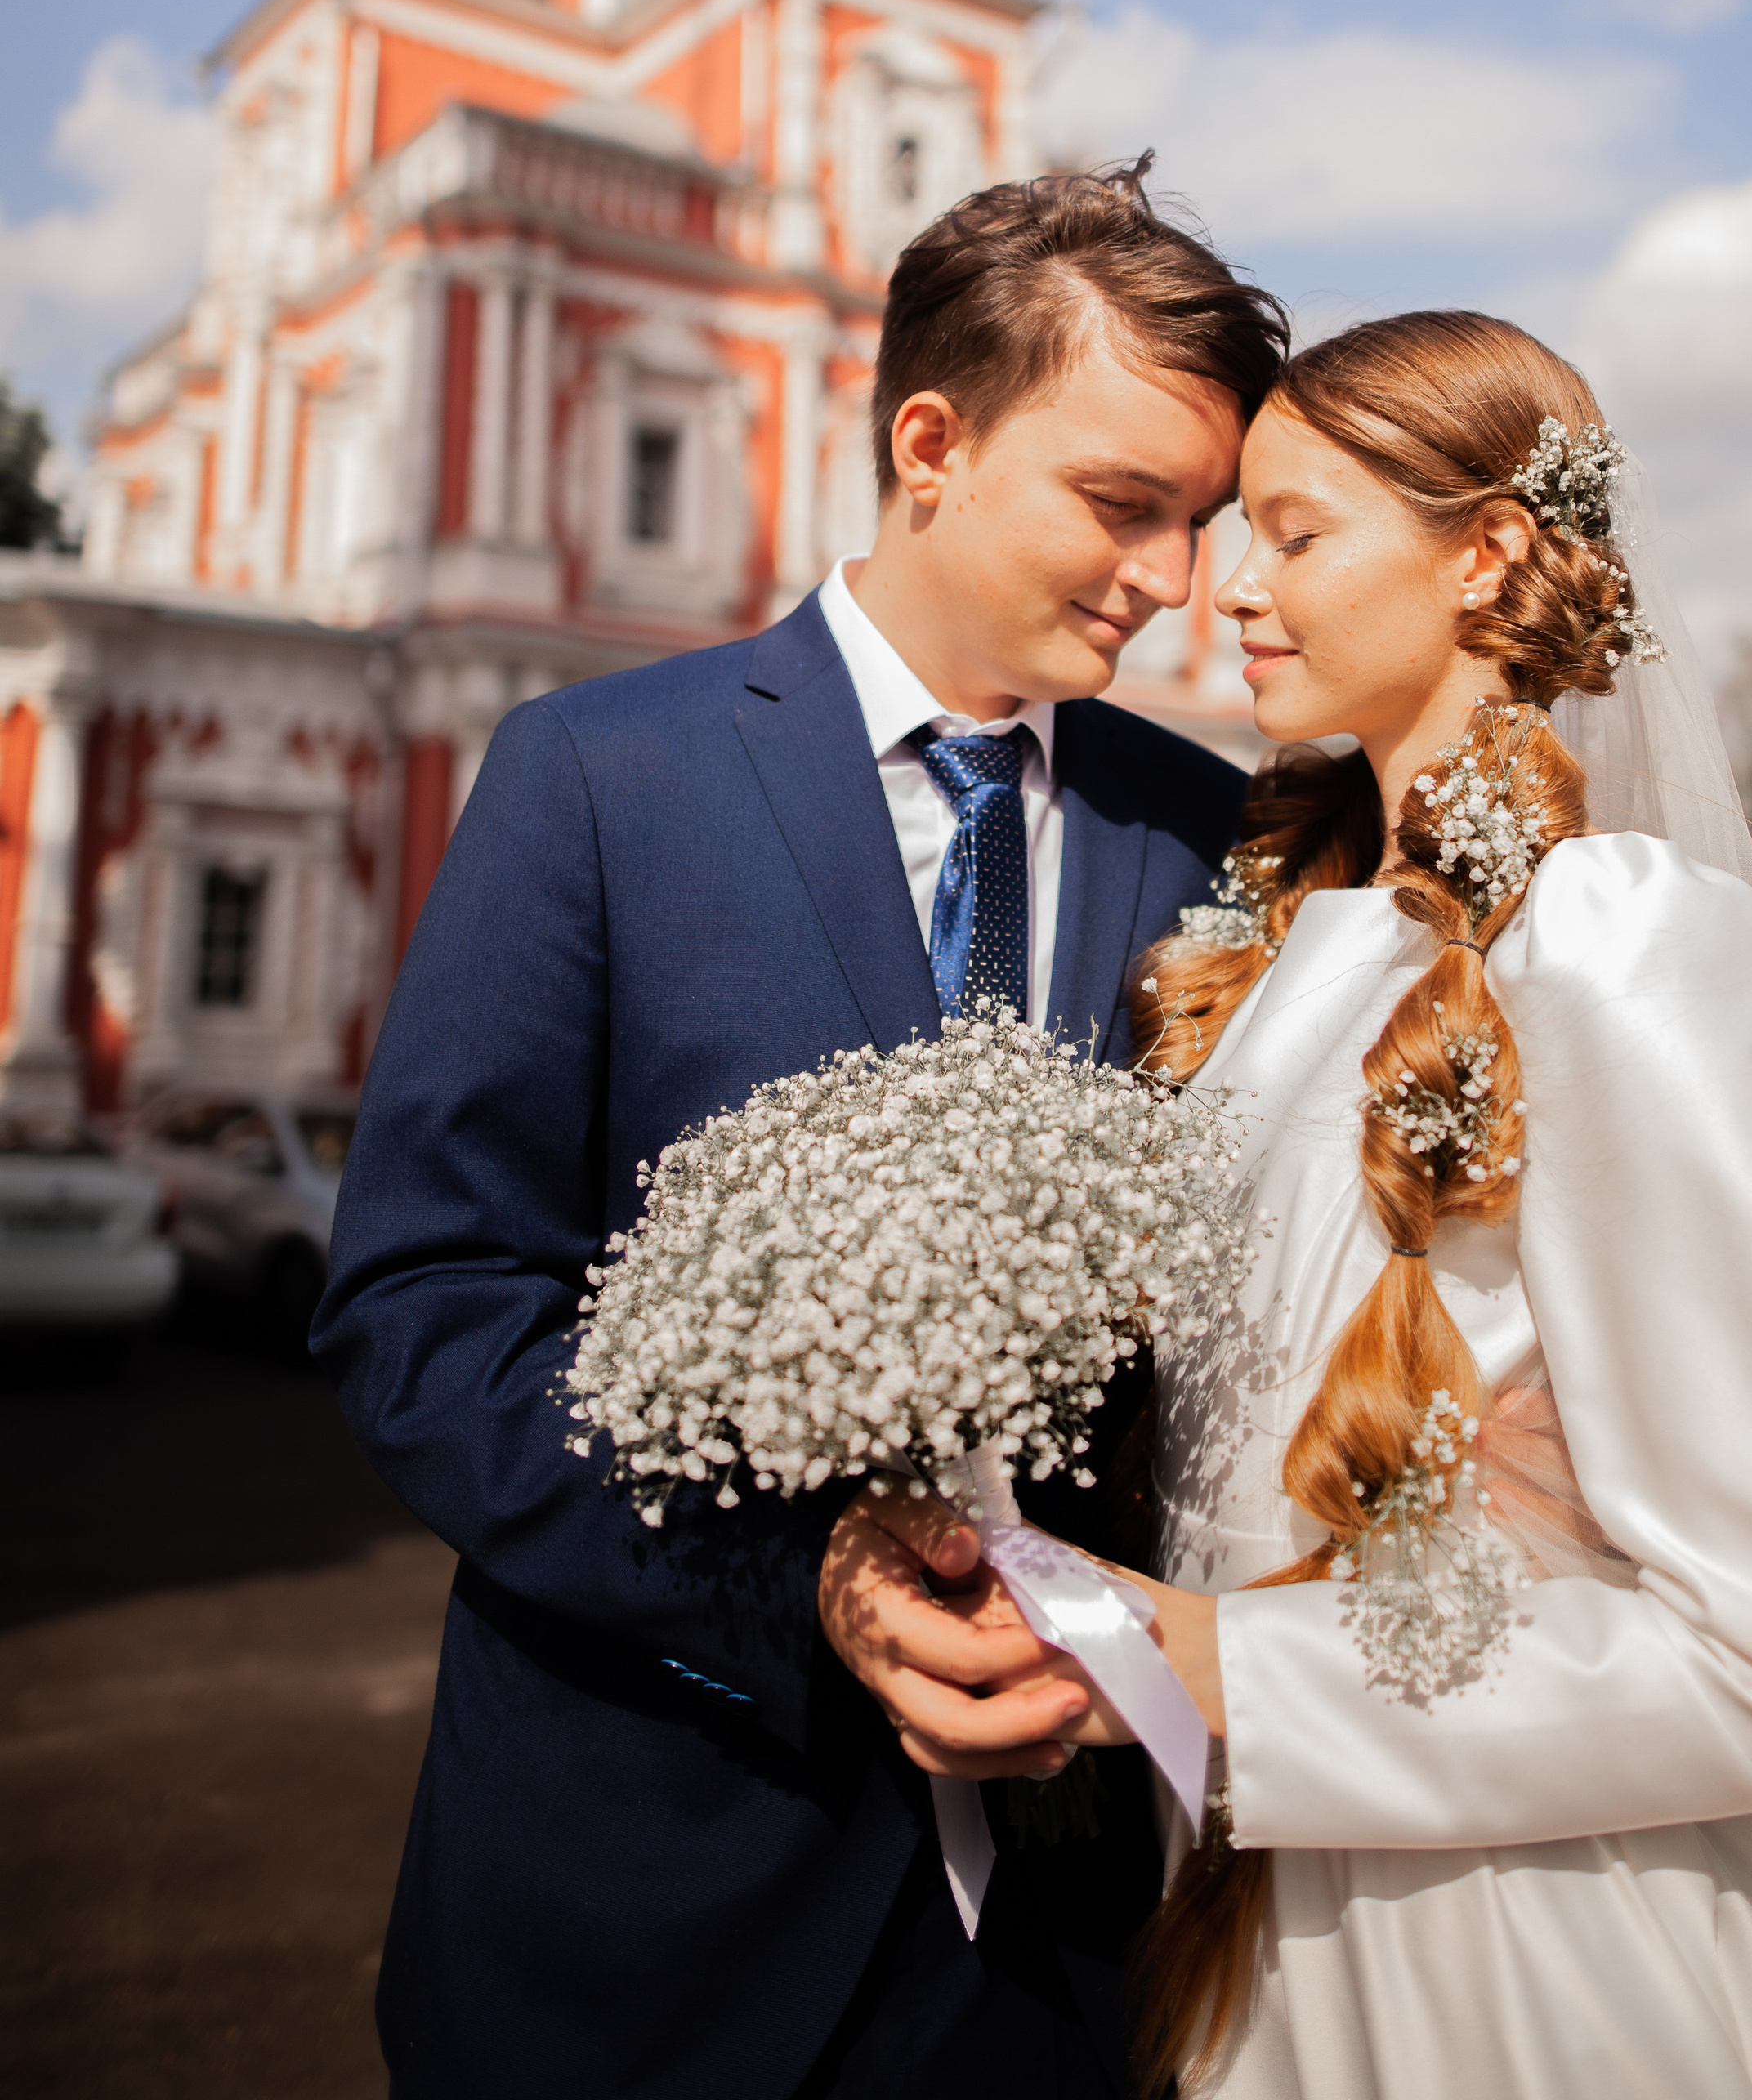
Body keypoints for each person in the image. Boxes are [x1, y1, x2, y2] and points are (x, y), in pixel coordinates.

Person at [312, 162, 1289, 2100]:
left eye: (1202, 522)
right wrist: (796, 1576)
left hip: (1066, 1961)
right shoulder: (600, 776)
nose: (1174, 579)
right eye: (1122, 504)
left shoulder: (1212, 832)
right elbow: (423, 1309)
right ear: (931, 441)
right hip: (647, 1914)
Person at [1051, 311, 1752, 2100]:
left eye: (1293, 534)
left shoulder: (1613, 946)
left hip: (1507, 1947)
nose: (1225, 586)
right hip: (1245, 1902)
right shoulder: (1270, 958)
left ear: (1492, 553)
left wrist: (1227, 1670)